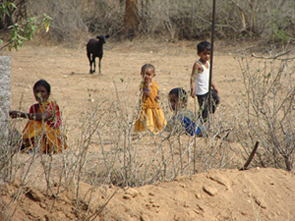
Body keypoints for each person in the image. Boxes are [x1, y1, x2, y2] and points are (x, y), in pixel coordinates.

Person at [9, 79, 67, 154]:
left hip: (51, 140)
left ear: (48, 94)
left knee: (38, 124)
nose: (39, 94)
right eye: (37, 91)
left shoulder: (51, 106)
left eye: (43, 92)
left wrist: (21, 115)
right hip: (37, 138)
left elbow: (43, 117)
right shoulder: (33, 107)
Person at [190, 41, 220, 122]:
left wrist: (214, 86)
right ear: (199, 53)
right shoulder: (198, 65)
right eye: (204, 54)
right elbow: (193, 77)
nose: (207, 56)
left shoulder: (207, 64)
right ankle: (200, 124)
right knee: (204, 110)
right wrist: (192, 89)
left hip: (208, 89)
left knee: (216, 99)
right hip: (201, 92)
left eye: (209, 54)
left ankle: (206, 116)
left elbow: (208, 77)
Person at [134, 64, 166, 133]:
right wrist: (148, 85)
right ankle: (148, 130)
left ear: (153, 75)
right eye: (144, 74)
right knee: (148, 119)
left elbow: (157, 92)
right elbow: (147, 94)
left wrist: (158, 96)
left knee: (156, 118)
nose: (146, 76)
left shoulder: (155, 84)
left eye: (149, 74)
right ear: (141, 74)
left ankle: (156, 129)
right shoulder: (143, 84)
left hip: (154, 105)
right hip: (146, 106)